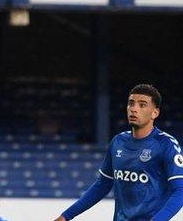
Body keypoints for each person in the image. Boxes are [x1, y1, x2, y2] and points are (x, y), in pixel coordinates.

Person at [54, 84, 183, 221]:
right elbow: (102, 185)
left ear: (155, 113)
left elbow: (180, 191)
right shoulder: (118, 141)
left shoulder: (166, 144)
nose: (134, 109)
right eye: (131, 104)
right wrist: (65, 216)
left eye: (142, 105)